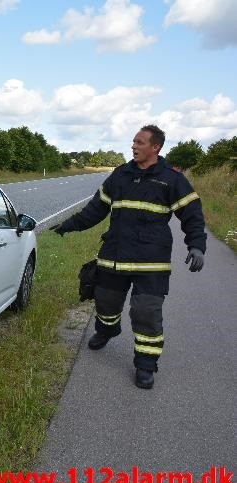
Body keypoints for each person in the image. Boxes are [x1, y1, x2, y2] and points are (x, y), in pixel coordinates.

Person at [51, 124, 206, 389]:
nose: (133, 146)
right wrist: (68, 225)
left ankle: (145, 365)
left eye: (140, 142)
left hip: (151, 261)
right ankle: (107, 330)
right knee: (105, 302)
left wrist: (197, 245)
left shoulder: (172, 179)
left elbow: (192, 215)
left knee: (146, 313)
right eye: (133, 141)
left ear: (155, 147)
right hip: (115, 256)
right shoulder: (120, 175)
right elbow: (95, 209)